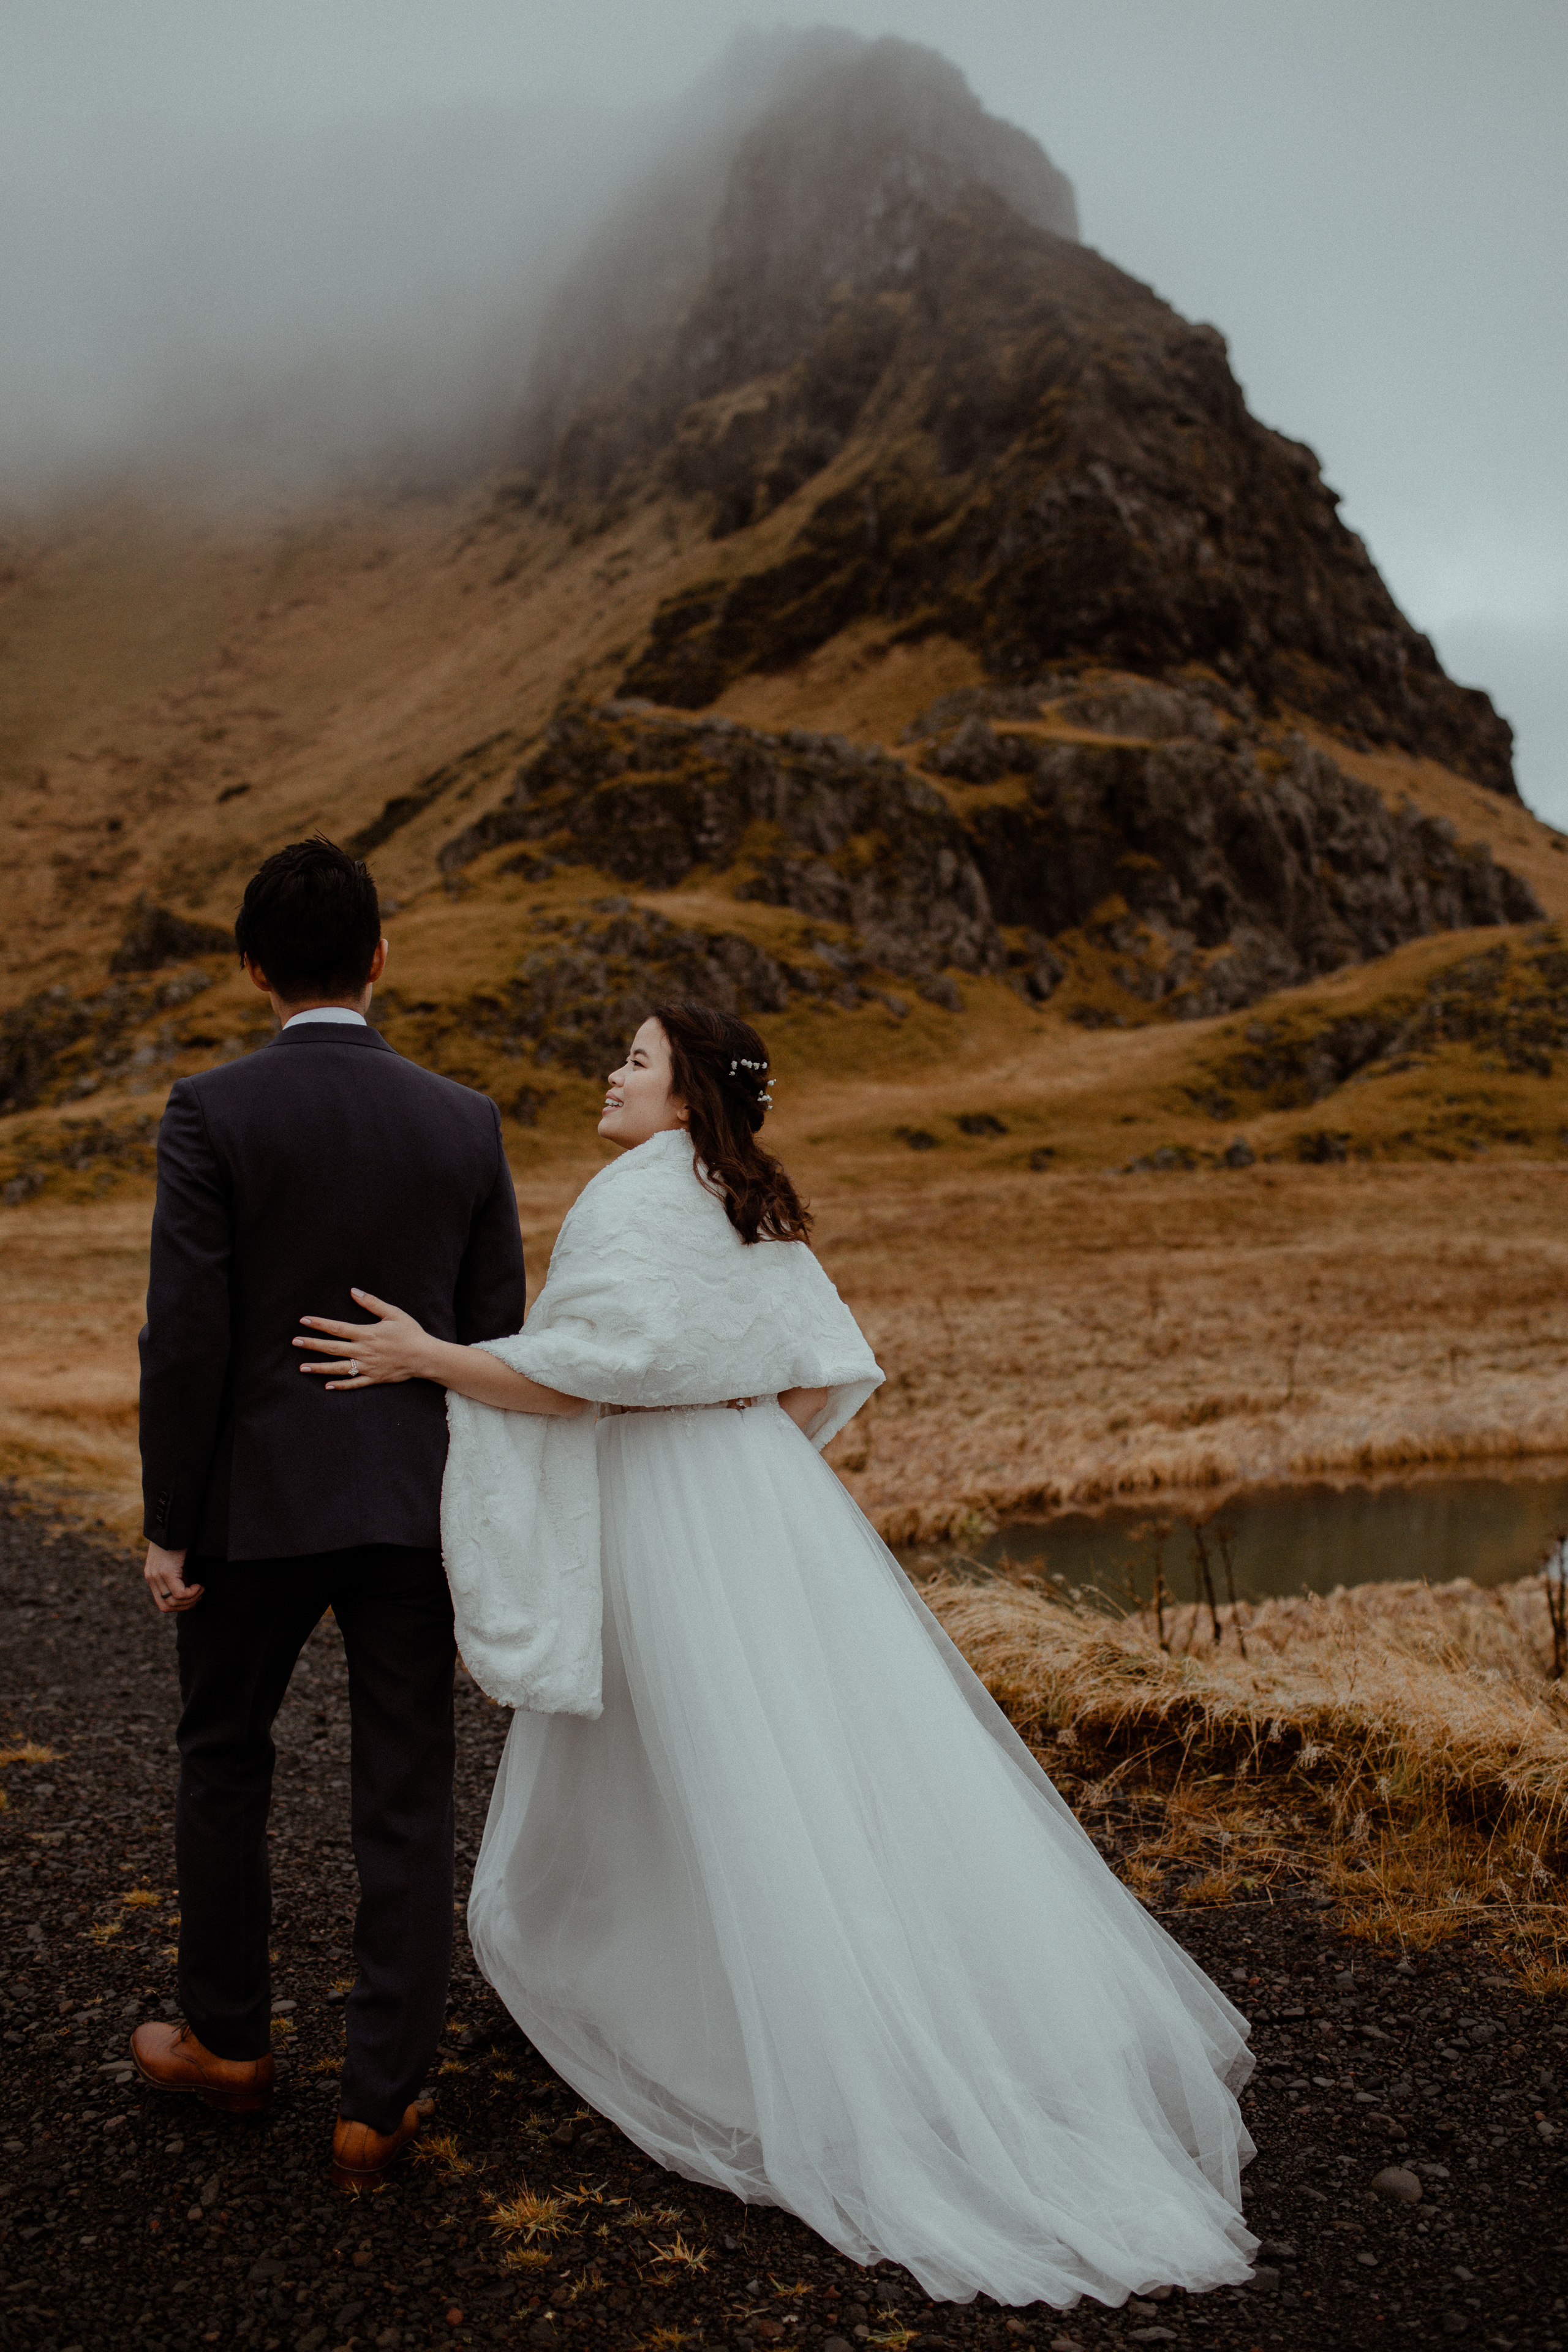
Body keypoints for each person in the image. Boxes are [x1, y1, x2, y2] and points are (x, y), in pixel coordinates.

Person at [294, 998, 1257, 2307]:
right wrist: (739, 1458)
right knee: (802, 1748)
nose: (611, 1076)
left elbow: (581, 1381)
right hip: (759, 1511)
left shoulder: (634, 1197)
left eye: (634, 1060)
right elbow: (818, 1372)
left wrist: (430, 1357)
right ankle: (868, 1997)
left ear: (685, 1091)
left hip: (663, 1519)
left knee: (680, 1752)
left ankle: (721, 2016)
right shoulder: (736, 1198)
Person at [134, 835, 527, 2190]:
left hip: (250, 1506)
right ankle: (377, 2102)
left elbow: (184, 1334)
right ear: (379, 957)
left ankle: (231, 2047)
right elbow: (497, 1338)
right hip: (414, 1504)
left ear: (253, 969)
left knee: (224, 1758)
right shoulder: (463, 1120)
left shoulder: (209, 1109)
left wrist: (169, 1521)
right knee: (406, 1791)